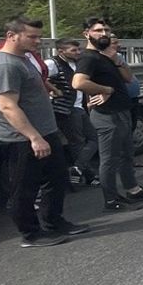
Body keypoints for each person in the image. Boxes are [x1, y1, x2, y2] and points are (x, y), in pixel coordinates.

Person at [0, 16, 90, 246]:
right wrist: (33, 137)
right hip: (21, 138)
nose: (38, 41)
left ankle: (53, 222)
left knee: (57, 178)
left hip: (45, 132)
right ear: (12, 36)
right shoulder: (5, 65)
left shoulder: (24, 59)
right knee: (24, 187)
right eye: (32, 36)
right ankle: (30, 234)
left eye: (39, 36)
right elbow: (7, 106)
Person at [72, 18, 143, 210]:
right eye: (98, 30)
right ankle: (111, 200)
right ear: (86, 34)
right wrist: (106, 90)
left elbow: (128, 78)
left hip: (121, 112)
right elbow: (78, 83)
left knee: (126, 155)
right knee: (109, 160)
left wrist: (116, 59)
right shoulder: (89, 57)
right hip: (106, 116)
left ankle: (133, 190)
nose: (104, 34)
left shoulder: (106, 56)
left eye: (107, 30)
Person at [46, 39, 99, 186]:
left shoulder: (76, 63)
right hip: (66, 109)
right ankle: (89, 175)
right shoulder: (52, 63)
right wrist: (54, 90)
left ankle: (78, 169)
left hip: (79, 107)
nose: (77, 53)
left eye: (78, 50)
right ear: (61, 51)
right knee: (78, 142)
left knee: (93, 138)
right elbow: (39, 76)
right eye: (73, 50)